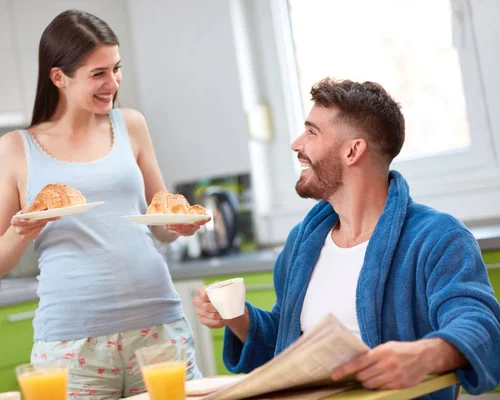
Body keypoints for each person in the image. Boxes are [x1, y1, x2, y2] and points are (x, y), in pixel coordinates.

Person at [193, 78, 500, 399]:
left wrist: (423, 355)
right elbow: (287, 351)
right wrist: (239, 319)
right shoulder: (302, 242)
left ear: (353, 150)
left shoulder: (436, 237)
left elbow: (481, 325)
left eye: (312, 132)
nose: (297, 144)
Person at [0, 10, 207, 399]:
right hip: (71, 344)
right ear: (59, 77)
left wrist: (178, 225)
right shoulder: (15, 149)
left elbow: (160, 224)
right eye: (98, 74)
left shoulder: (131, 125)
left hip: (157, 328)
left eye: (116, 69)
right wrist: (21, 233)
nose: (113, 83)